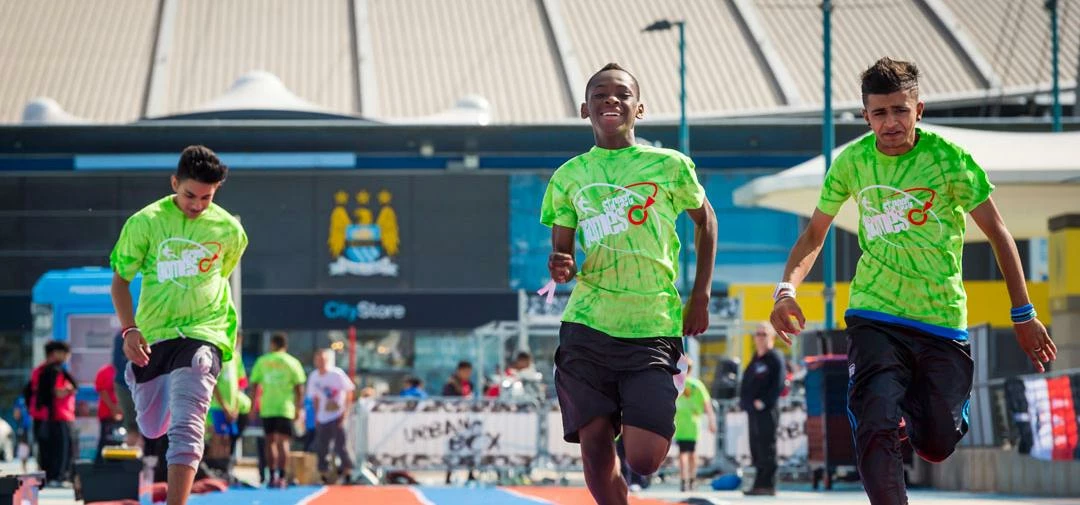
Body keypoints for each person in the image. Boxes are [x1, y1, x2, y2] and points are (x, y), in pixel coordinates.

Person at [768, 57, 1055, 505]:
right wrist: (786, 290)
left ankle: (912, 415)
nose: (890, 123)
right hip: (874, 313)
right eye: (879, 113)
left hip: (940, 320)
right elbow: (814, 234)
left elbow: (998, 233)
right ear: (865, 116)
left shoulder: (948, 160)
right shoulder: (853, 163)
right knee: (873, 417)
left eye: (900, 110)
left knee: (937, 444)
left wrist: (1023, 314)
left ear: (919, 110)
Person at [540, 62, 717, 504]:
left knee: (644, 458)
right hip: (587, 324)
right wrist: (560, 264)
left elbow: (707, 222)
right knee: (595, 447)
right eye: (600, 94)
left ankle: (639, 407)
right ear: (585, 109)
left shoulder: (669, 166)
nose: (611, 101)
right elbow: (563, 254)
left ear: (640, 108)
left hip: (651, 324)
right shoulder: (568, 177)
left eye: (621, 94)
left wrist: (700, 296)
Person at [110, 145, 248, 505]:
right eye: (190, 194)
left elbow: (220, 275)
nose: (197, 204)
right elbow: (120, 281)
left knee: (187, 423)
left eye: (207, 197)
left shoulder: (229, 230)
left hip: (205, 331)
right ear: (174, 182)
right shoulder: (146, 223)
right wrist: (130, 330)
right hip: (155, 333)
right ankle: (141, 379)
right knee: (153, 427)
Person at [250, 332, 306, 488]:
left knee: (270, 442)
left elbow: (254, 385)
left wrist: (252, 407)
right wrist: (298, 408)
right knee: (283, 443)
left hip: (267, 407)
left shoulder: (263, 361)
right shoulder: (293, 362)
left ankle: (272, 475)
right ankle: (281, 477)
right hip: (285, 408)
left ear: (272, 344)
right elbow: (299, 388)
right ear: (285, 345)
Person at [738, 323, 785, 496]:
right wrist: (744, 402)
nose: (760, 337)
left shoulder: (775, 358)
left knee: (767, 446)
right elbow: (746, 382)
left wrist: (764, 402)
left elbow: (778, 384)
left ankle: (768, 483)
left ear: (771, 337)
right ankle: (759, 483)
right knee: (755, 446)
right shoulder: (755, 359)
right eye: (757, 334)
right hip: (753, 411)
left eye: (764, 334)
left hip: (767, 410)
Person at [26, 341, 77, 486]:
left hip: (41, 415)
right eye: (65, 353)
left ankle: (48, 477)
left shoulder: (39, 370)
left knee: (46, 448)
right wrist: (68, 390)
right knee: (60, 448)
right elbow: (56, 392)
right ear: (55, 353)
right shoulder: (54, 370)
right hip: (56, 415)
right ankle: (57, 477)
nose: (67, 357)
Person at [306, 349, 356, 484]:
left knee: (341, 445)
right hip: (323, 416)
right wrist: (316, 415)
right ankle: (324, 474)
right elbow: (315, 398)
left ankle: (347, 472)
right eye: (318, 359)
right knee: (322, 447)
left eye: (323, 359)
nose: (321, 362)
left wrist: (345, 412)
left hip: (337, 414)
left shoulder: (337, 374)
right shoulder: (314, 377)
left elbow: (349, 390)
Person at [674, 359, 717, 492]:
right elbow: (707, 404)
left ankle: (685, 480)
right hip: (691, 423)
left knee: (684, 454)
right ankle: (690, 480)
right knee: (691, 453)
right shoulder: (696, 384)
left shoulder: (679, 383)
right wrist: (711, 420)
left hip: (683, 422)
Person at [111, 332, 141, 448]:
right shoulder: (120, 337)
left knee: (141, 424)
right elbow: (117, 363)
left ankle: (147, 453)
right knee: (132, 424)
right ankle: (134, 450)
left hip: (139, 383)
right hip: (125, 384)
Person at [94, 362, 123, 460]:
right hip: (107, 415)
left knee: (121, 443)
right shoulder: (105, 371)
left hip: (123, 415)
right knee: (106, 443)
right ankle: (100, 468)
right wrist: (114, 409)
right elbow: (103, 392)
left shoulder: (127, 369)